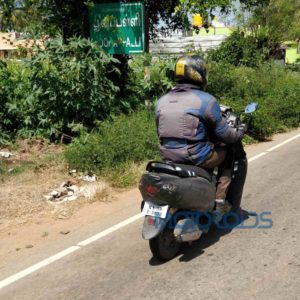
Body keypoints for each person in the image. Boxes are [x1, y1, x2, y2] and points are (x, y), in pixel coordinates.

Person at [155, 55, 246, 215]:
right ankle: (219, 200)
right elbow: (225, 135)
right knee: (229, 152)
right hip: (195, 157)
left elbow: (159, 131)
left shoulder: (161, 101)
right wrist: (240, 131)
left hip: (167, 156)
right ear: (199, 74)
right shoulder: (206, 100)